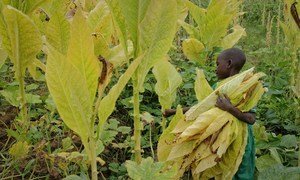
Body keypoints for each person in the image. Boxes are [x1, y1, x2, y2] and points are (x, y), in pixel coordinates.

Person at [163, 48, 255, 180]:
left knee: (239, 166)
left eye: (218, 64)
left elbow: (251, 119)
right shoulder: (217, 87)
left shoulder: (245, 86)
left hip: (239, 137)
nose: (215, 69)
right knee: (218, 164)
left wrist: (229, 108)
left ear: (229, 64)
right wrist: (173, 111)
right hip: (218, 136)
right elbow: (201, 107)